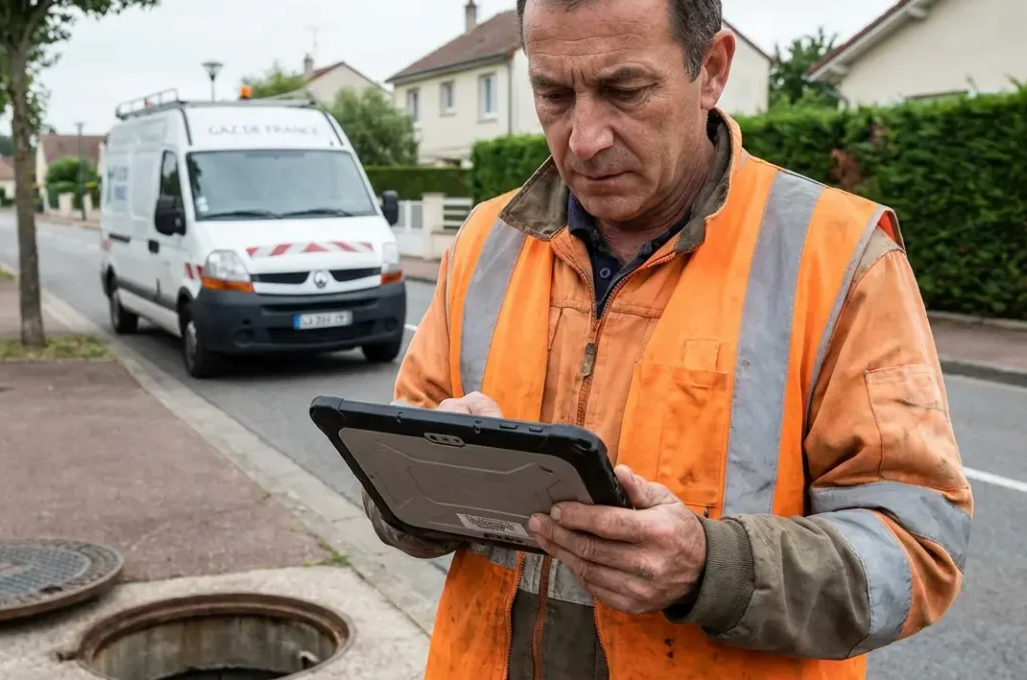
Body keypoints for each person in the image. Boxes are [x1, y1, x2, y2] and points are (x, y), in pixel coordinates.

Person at [363, 0, 973, 678]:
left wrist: (712, 567)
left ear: (711, 70)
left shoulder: (837, 257)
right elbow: (389, 504)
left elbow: (916, 554)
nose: (584, 137)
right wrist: (428, 481)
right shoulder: (484, 244)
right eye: (553, 94)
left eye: (625, 90)